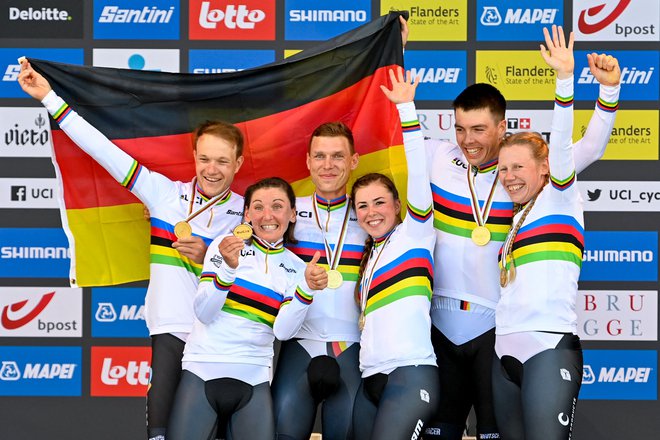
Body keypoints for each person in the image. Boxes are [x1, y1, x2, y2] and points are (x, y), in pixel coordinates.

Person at [17, 61, 246, 440]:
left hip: (222, 338)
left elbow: (263, 276)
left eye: (222, 160)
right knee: (161, 434)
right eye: (205, 158)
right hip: (170, 332)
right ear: (193, 157)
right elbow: (103, 151)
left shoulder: (251, 211)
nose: (212, 169)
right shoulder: (163, 194)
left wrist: (210, 256)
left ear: (238, 162)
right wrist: (49, 98)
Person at [419, 28, 621, 440]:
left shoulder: (550, 186)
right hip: (465, 333)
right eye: (460, 129)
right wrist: (389, 52)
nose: (467, 141)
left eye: (478, 129)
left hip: (514, 334)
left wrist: (599, 89)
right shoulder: (444, 159)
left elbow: (581, 146)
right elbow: (386, 134)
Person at [492, 26, 602, 440]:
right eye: (503, 169)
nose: (509, 177)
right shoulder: (518, 217)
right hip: (503, 350)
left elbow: (578, 146)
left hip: (548, 347)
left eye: (518, 167)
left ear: (545, 168)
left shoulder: (561, 195)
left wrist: (565, 80)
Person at [167, 177, 326, 440]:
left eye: (277, 206)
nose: (267, 216)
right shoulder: (225, 245)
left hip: (254, 378)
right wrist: (229, 268)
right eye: (258, 207)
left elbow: (283, 332)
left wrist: (306, 290)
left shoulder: (298, 268)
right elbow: (204, 313)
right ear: (247, 214)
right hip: (202, 368)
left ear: (293, 214)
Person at [350, 67, 438, 439]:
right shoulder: (369, 255)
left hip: (411, 372)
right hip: (369, 376)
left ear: (399, 205)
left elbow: (418, 173)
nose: (371, 212)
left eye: (379, 203)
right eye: (363, 206)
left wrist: (406, 110)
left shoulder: (415, 233)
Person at [271, 125, 366, 438]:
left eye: (338, 156)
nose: (328, 165)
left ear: (354, 161)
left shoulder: (370, 212)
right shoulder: (285, 211)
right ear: (308, 161)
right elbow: (242, 229)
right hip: (299, 343)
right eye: (320, 156)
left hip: (353, 345)